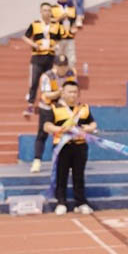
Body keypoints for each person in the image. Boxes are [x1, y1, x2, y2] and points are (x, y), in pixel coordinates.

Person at [43, 81, 97, 215]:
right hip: (62, 146)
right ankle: (61, 202)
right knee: (61, 175)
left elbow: (93, 123)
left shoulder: (84, 108)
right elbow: (47, 126)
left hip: (80, 146)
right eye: (70, 92)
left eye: (75, 92)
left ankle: (81, 202)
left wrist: (89, 128)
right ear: (63, 93)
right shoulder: (55, 108)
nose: (73, 95)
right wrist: (60, 129)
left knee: (79, 175)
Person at [30, 55, 77, 173]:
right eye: (60, 66)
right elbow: (46, 94)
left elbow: (73, 90)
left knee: (64, 133)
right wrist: (60, 92)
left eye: (65, 66)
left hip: (61, 107)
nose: (63, 69)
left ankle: (63, 162)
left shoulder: (71, 74)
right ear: (55, 66)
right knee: (42, 134)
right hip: (47, 107)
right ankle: (37, 160)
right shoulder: (47, 76)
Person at [21, 2, 66, 116]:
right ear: (41, 12)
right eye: (45, 10)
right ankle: (30, 105)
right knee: (34, 81)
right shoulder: (35, 24)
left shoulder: (56, 25)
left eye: (49, 10)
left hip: (51, 57)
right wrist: (34, 44)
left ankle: (50, 104)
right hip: (37, 57)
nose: (47, 13)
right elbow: (25, 37)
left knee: (51, 80)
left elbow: (60, 39)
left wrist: (56, 46)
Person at [51, 0, 78, 68]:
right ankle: (56, 73)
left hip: (69, 36)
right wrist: (60, 18)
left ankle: (70, 73)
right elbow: (50, 21)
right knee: (57, 57)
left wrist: (74, 28)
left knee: (71, 58)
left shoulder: (71, 8)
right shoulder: (53, 8)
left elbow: (74, 21)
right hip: (58, 37)